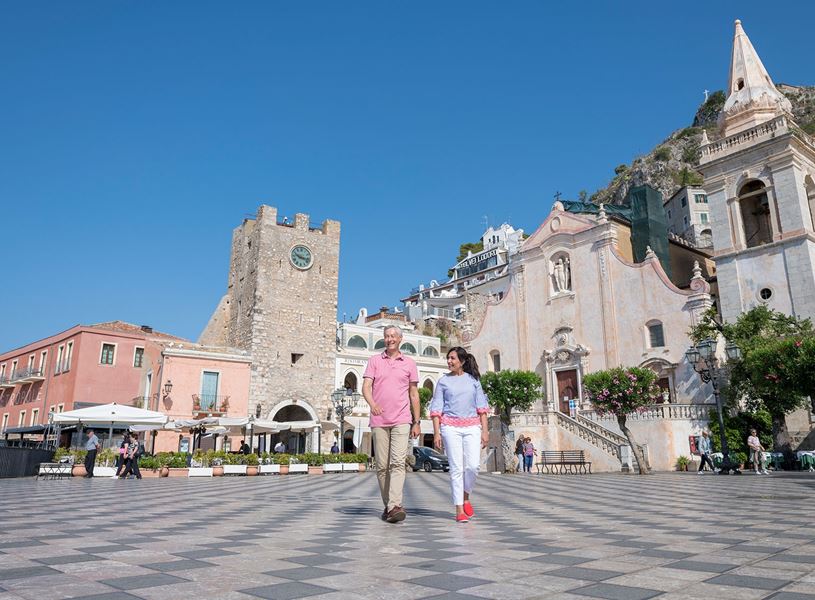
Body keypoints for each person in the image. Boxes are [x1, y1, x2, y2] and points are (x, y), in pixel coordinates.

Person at [362, 325, 421, 524]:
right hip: (379, 420)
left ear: (400, 339)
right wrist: (373, 404)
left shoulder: (409, 363)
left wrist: (416, 421)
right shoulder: (374, 361)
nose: (390, 339)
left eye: (393, 336)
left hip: (402, 419)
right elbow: (366, 387)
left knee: (397, 462)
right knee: (381, 466)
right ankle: (389, 506)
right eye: (387, 336)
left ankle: (395, 505)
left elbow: (414, 394)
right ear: (384, 339)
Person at [430, 347, 490, 523]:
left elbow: (482, 408)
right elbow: (436, 410)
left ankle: (465, 497)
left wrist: (485, 431)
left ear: (462, 361)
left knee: (473, 466)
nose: (449, 361)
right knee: (456, 468)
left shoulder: (474, 381)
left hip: (472, 426)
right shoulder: (443, 382)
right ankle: (459, 509)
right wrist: (436, 433)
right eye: (448, 358)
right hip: (450, 427)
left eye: (453, 358)